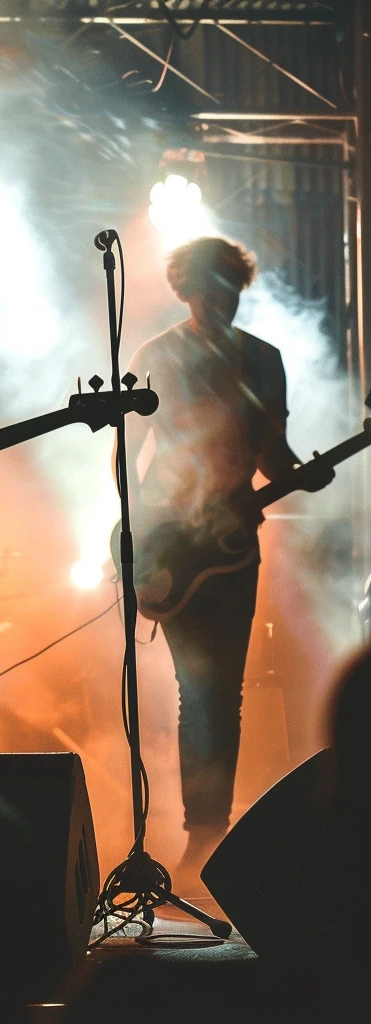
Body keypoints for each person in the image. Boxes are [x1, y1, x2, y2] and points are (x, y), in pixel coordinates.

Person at [123, 236, 332, 887]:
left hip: (236, 542)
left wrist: (307, 473)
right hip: (169, 543)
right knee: (200, 693)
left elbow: (275, 455)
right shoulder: (154, 356)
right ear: (185, 289)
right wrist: (136, 546)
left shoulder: (264, 361)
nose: (221, 302)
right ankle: (201, 834)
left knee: (224, 694)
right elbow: (124, 460)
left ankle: (212, 837)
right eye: (209, 289)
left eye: (231, 289)